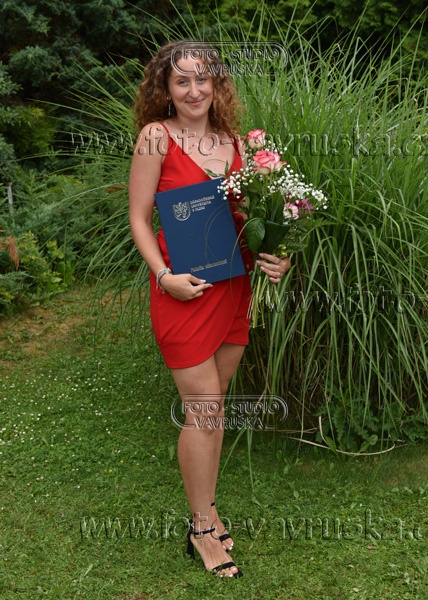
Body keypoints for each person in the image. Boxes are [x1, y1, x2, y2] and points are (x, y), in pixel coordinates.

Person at [129, 40, 290, 579]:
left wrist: (277, 254)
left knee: (214, 407)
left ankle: (208, 508)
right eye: (182, 80)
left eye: (203, 78)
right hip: (184, 292)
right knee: (202, 409)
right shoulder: (156, 137)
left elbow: (254, 218)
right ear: (166, 89)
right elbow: (138, 218)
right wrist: (164, 276)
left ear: (216, 84)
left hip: (234, 289)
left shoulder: (236, 142)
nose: (194, 89)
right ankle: (201, 530)